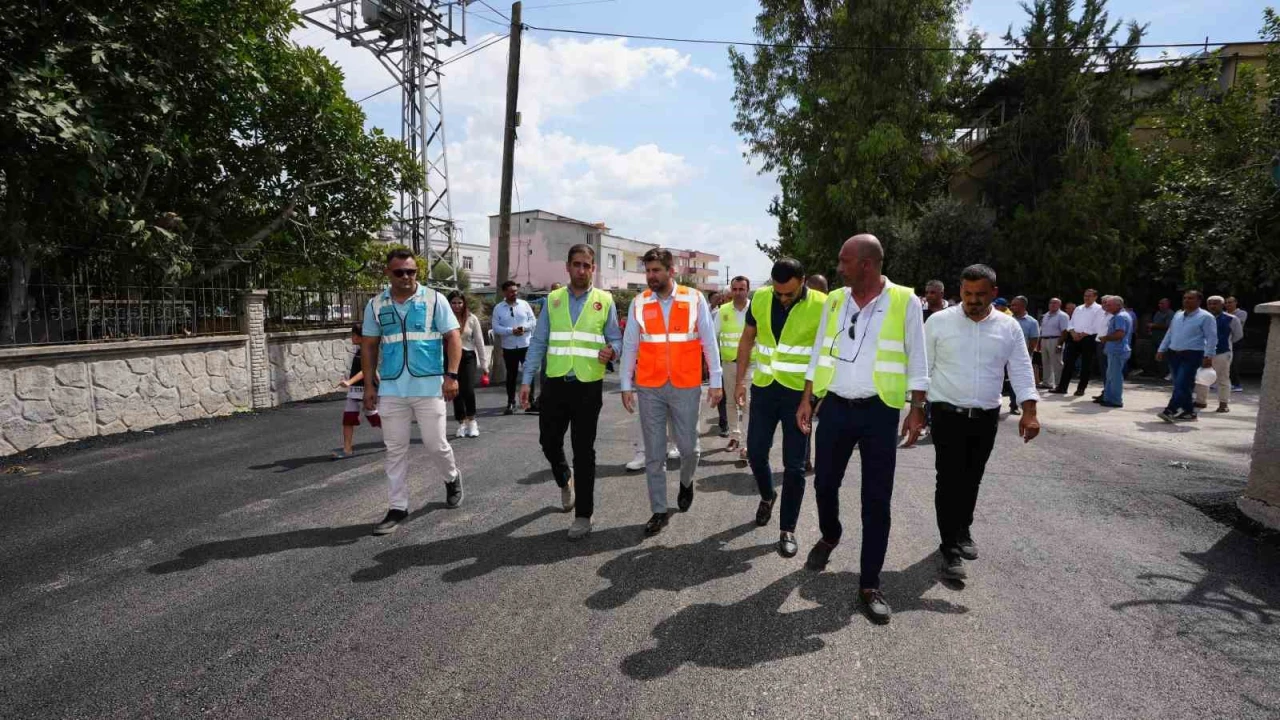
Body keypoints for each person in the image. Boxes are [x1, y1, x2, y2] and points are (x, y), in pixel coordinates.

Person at [796, 234, 928, 625]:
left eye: (844, 260)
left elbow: (917, 356)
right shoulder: (836, 299)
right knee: (823, 485)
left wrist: (917, 407)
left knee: (876, 500)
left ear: (867, 264)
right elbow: (820, 349)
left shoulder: (904, 300)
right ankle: (831, 533)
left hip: (880, 410)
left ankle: (869, 583)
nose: (839, 267)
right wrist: (808, 397)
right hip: (835, 406)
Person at [925, 264, 1039, 581]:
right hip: (947, 414)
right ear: (959, 290)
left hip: (986, 417)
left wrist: (1029, 411)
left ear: (994, 293)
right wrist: (917, 408)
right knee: (948, 480)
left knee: (972, 477)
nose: (972, 300)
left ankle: (963, 529)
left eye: (980, 294)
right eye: (967, 293)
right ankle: (949, 547)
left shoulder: (1009, 327)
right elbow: (923, 368)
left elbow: (1020, 368)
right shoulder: (938, 322)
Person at [519, 244, 622, 540]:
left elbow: (615, 338)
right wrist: (527, 381)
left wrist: (611, 350)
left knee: (584, 450)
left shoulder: (605, 300)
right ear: (567, 267)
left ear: (594, 268)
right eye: (576, 264)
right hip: (554, 383)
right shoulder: (552, 300)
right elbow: (539, 341)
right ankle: (564, 478)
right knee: (548, 441)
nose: (581, 270)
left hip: (588, 385)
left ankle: (584, 515)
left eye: (587, 265)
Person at [620, 248, 723, 536]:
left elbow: (708, 341)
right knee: (654, 453)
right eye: (648, 271)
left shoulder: (694, 299)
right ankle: (658, 510)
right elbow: (630, 345)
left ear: (671, 271)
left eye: (656, 270)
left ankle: (686, 482)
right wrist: (626, 384)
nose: (651, 276)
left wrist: (716, 380)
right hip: (649, 386)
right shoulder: (639, 302)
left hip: (686, 384)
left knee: (689, 449)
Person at [361, 249, 464, 536]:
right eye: (399, 272)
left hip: (429, 386)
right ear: (388, 273)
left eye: (411, 272)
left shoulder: (434, 299)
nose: (406, 277)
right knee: (395, 450)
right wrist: (369, 385)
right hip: (393, 388)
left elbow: (453, 337)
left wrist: (452, 375)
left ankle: (452, 477)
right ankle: (397, 507)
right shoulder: (376, 304)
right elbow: (368, 346)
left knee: (435, 444)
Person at [734, 258, 826, 557]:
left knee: (795, 465)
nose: (783, 298)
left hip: (799, 396)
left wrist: (809, 399)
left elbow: (822, 355)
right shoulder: (761, 297)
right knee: (756, 452)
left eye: (789, 293)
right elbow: (748, 339)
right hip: (764, 389)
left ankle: (788, 529)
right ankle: (767, 495)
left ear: (803, 282)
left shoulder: (823, 305)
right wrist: (739, 381)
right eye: (779, 293)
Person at [1156, 290, 1217, 423]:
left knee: (1181, 384)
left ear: (1198, 301)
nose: (1186, 301)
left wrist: (1209, 356)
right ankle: (1189, 412)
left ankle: (1170, 410)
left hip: (1192, 354)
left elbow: (1212, 338)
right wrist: (1162, 349)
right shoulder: (1178, 315)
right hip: (1174, 353)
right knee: (1182, 384)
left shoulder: (1206, 317)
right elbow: (1170, 333)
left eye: (1190, 298)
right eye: (1185, 298)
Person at [334, 322, 382, 459]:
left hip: (366, 389)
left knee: (374, 417)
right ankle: (347, 449)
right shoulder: (360, 350)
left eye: (354, 335)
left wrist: (349, 381)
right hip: (355, 390)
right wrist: (381, 383)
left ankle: (396, 436)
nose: (352, 337)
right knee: (348, 418)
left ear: (361, 337)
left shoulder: (366, 351)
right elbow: (374, 371)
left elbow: (365, 371)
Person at [716, 276, 751, 456]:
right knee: (730, 402)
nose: (737, 293)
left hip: (751, 366)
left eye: (741, 289)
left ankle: (746, 443)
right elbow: (714, 337)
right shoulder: (722, 311)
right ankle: (734, 436)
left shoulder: (755, 309)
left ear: (747, 290)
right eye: (735, 289)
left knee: (747, 404)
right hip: (729, 365)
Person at [492, 280, 538, 415]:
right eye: (511, 291)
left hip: (526, 345)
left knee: (529, 373)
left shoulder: (524, 305)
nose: (514, 294)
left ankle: (530, 401)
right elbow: (496, 328)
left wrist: (524, 328)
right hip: (509, 347)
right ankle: (511, 402)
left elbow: (533, 321)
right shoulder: (498, 308)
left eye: (516, 291)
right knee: (511, 376)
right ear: (504, 292)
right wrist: (510, 331)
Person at [1052, 289, 1106, 397]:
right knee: (1068, 362)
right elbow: (1071, 323)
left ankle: (1081, 388)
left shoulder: (1099, 309)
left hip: (1088, 338)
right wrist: (1072, 333)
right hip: (1074, 337)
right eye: (1085, 296)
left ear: (1095, 297)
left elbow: (1096, 325)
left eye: (1089, 296)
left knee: (1086, 364)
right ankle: (1062, 387)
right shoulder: (1079, 308)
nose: (1087, 298)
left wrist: (1082, 334)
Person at [448, 291, 487, 438]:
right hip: (450, 357)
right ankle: (461, 423)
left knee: (468, 389)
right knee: (455, 391)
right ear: (448, 304)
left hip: (468, 356)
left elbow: (479, 341)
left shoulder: (472, 318)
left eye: (459, 302)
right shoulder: (443, 318)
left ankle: (472, 421)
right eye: (453, 302)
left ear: (464, 303)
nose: (457, 305)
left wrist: (484, 365)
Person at [1196, 296, 1243, 414]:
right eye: (1210, 304)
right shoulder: (1202, 318)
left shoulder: (1232, 319)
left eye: (1215, 304)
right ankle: (1201, 401)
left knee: (1223, 378)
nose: (1212, 306)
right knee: (1201, 377)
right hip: (1203, 352)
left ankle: (1223, 404)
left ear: (1223, 305)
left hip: (1222, 352)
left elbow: (1238, 336)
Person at [1096, 295, 1132, 408]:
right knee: (1111, 375)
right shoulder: (1121, 315)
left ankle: (1115, 400)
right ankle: (1109, 398)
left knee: (1115, 377)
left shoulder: (1120, 317)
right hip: (1116, 350)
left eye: (1109, 305)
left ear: (1118, 305)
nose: (1106, 306)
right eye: (1106, 304)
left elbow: (1119, 334)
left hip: (1117, 350)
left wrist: (1105, 338)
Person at [1008, 296, 1039, 414]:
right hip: (1005, 355)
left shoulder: (1032, 322)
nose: (1011, 307)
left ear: (1022, 306)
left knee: (1016, 380)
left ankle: (1014, 405)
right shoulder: (1008, 320)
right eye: (1011, 305)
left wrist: (1027, 355)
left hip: (1020, 357)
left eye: (1014, 305)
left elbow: (1034, 340)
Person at [1038, 298, 1068, 389]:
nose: (1052, 304)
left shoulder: (1062, 316)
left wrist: (1060, 344)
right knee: (1045, 362)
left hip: (1056, 339)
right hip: (1044, 339)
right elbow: (1042, 329)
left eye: (1055, 303)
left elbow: (1065, 331)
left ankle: (1059, 384)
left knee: (1057, 362)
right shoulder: (1045, 315)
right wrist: (1039, 343)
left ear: (1059, 305)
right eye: (1051, 302)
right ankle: (1047, 383)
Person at [1225, 296, 1247, 392]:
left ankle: (1237, 384)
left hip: (1237, 341)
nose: (1228, 304)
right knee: (1224, 363)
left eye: (1230, 302)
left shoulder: (1241, 313)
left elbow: (1236, 324)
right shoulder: (1224, 314)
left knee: (1234, 364)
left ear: (1235, 303)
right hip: (1226, 341)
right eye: (1226, 303)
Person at [1149, 298, 1175, 381]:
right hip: (1155, 338)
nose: (1160, 305)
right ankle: (1158, 373)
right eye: (1159, 303)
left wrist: (1154, 326)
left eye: (1162, 303)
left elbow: (1169, 326)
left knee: (1165, 357)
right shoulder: (1158, 313)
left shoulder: (1170, 314)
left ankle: (1165, 374)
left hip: (1164, 339)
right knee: (1156, 356)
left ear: (1168, 304)